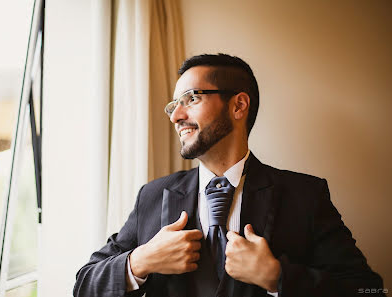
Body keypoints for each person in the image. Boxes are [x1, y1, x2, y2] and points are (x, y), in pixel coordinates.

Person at [73, 53, 385, 297]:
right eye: (174, 106)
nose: (177, 116)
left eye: (191, 98)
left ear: (238, 106)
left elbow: (369, 290)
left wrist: (276, 276)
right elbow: (84, 285)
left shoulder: (304, 195)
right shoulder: (153, 196)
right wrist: (140, 262)